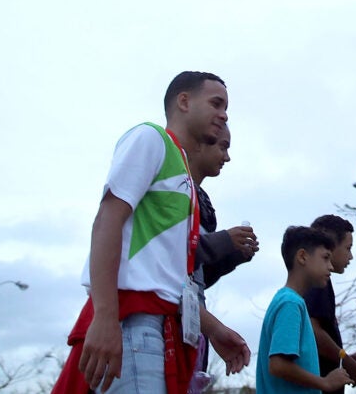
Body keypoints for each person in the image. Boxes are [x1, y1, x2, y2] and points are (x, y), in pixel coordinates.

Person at [54, 71, 250, 394]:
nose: (224, 114)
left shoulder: (185, 178)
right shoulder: (150, 138)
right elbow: (107, 219)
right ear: (183, 102)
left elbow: (166, 283)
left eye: (226, 107)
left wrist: (213, 329)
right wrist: (105, 316)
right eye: (216, 103)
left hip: (160, 331)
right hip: (133, 327)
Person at [187, 125, 259, 392]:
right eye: (222, 146)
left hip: (194, 327)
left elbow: (195, 276)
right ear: (199, 142)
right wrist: (225, 240)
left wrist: (232, 256)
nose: (227, 157)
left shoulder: (202, 199)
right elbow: (170, 258)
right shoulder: (172, 190)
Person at [256, 226, 353, 393]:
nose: (330, 266)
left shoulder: (291, 302)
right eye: (325, 258)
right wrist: (325, 383)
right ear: (302, 257)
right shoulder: (290, 304)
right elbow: (278, 365)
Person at [305, 214, 356, 390]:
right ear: (329, 247)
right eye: (348, 248)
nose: (350, 257)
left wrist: (345, 359)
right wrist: (346, 361)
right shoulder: (317, 283)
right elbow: (313, 332)